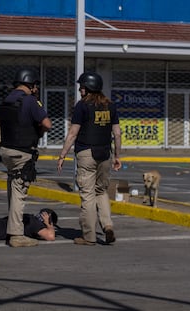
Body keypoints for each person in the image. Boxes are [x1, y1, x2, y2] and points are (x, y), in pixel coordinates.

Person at [57, 72, 121, 246]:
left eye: (82, 86)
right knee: (101, 192)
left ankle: (89, 236)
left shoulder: (82, 106)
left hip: (86, 153)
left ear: (89, 87)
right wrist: (117, 156)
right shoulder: (111, 106)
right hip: (105, 153)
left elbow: (72, 133)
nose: (80, 89)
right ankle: (107, 226)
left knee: (87, 195)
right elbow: (117, 133)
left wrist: (62, 155)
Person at [0, 68, 52, 248]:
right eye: (35, 85)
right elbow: (47, 124)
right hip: (22, 152)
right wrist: (38, 133)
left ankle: (13, 227)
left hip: (5, 150)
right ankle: (16, 235)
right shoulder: (30, 101)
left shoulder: (7, 99)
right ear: (30, 84)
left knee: (13, 189)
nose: (36, 89)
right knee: (20, 193)